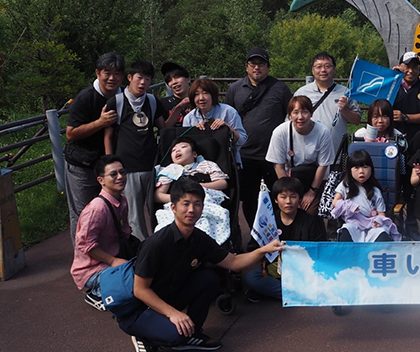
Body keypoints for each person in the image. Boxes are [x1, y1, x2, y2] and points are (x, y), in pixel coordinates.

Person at [119, 178, 283, 351]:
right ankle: (144, 337)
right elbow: (140, 290)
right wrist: (173, 313)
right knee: (176, 336)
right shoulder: (156, 243)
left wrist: (263, 250)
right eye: (186, 204)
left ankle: (193, 332)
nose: (192, 209)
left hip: (167, 296)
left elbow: (233, 262)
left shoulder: (198, 238)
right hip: (139, 310)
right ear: (173, 208)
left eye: (197, 204)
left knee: (209, 278)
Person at [225, 47, 293, 226]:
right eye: (253, 64)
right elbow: (227, 116)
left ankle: (276, 234)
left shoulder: (280, 88)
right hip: (245, 155)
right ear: (247, 66)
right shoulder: (235, 89)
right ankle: (255, 237)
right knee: (249, 199)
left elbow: (292, 115)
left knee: (277, 197)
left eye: (261, 64)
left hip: (274, 156)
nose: (257, 68)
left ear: (268, 67)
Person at [64, 51, 125, 245]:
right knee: (83, 214)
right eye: (107, 72)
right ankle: (82, 261)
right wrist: (100, 122)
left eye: (117, 74)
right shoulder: (85, 98)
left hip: (108, 164)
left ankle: (105, 255)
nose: (112, 78)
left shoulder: (123, 96)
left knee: (109, 209)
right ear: (98, 73)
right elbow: (70, 133)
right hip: (82, 165)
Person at [103, 60, 166, 240]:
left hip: (152, 166)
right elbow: (107, 136)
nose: (143, 83)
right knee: (134, 216)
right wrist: (110, 166)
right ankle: (140, 251)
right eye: (139, 78)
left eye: (147, 79)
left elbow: (164, 128)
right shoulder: (116, 102)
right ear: (130, 78)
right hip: (127, 167)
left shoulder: (153, 101)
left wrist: (178, 108)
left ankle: (161, 244)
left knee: (158, 210)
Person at [244, 176, 326, 302]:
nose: (288, 201)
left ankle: (283, 293)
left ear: (299, 199)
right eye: (283, 197)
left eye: (293, 196)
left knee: (323, 277)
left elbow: (321, 250)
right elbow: (254, 247)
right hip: (275, 270)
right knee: (252, 277)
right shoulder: (268, 221)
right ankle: (298, 294)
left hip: (303, 270)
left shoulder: (311, 221)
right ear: (276, 200)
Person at [71, 155, 134, 311]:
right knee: (134, 283)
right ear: (101, 180)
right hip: (91, 269)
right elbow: (84, 244)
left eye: (123, 172)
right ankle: (97, 292)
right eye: (113, 174)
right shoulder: (96, 209)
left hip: (115, 255)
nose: (120, 177)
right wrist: (113, 261)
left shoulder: (122, 200)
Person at [265, 96, 334, 216]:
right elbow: (278, 166)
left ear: (311, 114)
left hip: (315, 179)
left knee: (309, 212)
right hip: (288, 177)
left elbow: (323, 165)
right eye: (295, 112)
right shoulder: (280, 132)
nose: (300, 117)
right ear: (289, 115)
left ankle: (315, 233)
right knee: (287, 209)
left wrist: (312, 192)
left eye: (305, 112)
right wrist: (289, 195)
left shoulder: (323, 132)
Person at [294, 52, 362, 151]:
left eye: (327, 66)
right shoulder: (302, 93)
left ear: (334, 69)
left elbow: (357, 120)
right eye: (318, 67)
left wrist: (345, 110)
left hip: (336, 151)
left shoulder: (345, 92)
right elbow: (290, 120)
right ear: (313, 70)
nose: (323, 70)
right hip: (307, 152)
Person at [331, 150, 400, 242]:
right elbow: (335, 202)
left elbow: (381, 213)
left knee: (382, 232)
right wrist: (349, 206)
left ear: (371, 169)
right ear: (350, 170)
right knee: (346, 230)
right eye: (356, 167)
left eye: (365, 167)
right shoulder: (345, 185)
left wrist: (379, 220)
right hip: (354, 223)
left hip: (372, 224)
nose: (361, 171)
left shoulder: (375, 190)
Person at [182, 78, 247, 165]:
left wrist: (227, 128)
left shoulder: (228, 111)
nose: (201, 98)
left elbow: (243, 140)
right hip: (198, 166)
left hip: (227, 163)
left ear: (213, 95)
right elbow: (185, 146)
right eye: (196, 95)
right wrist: (194, 131)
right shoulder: (189, 118)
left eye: (205, 93)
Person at [154, 137, 228, 205]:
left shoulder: (207, 165)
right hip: (179, 205)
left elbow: (222, 183)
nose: (177, 150)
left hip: (206, 202)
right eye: (173, 150)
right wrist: (182, 199)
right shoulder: (169, 170)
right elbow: (158, 195)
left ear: (194, 154)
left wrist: (199, 186)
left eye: (183, 147)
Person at [392, 51, 420, 142]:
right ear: (400, 67)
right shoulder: (392, 86)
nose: (410, 71)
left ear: (419, 69)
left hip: (418, 137)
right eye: (407, 67)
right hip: (393, 136)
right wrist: (391, 77)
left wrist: (405, 117)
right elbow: (381, 105)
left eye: (414, 67)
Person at [158, 62, 192, 127]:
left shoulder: (199, 100)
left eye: (177, 77)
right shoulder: (163, 103)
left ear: (188, 79)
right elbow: (163, 129)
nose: (174, 82)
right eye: (169, 80)